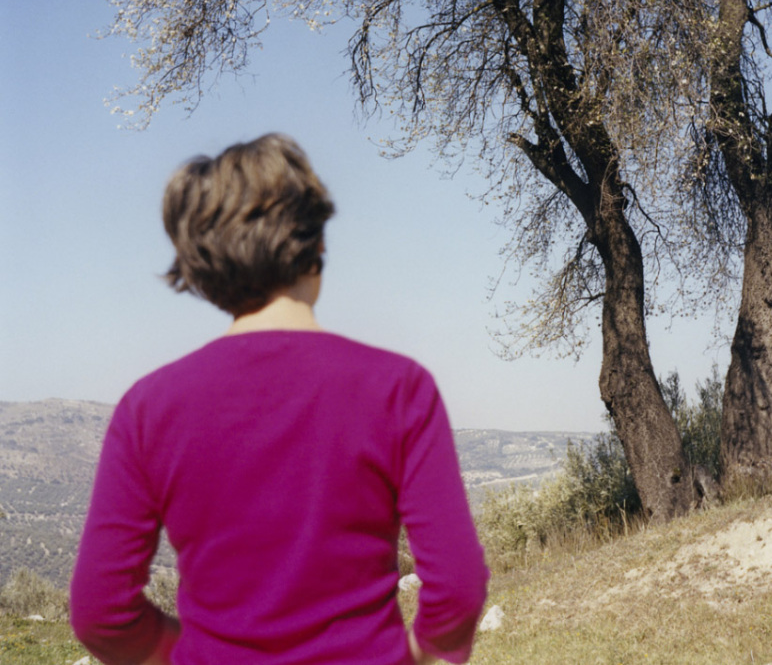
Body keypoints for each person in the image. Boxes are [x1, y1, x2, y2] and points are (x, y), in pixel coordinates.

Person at [70, 133, 489, 665]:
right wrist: (420, 652)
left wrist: (186, 651)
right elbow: (458, 585)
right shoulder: (398, 388)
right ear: (316, 243)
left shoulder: (148, 409)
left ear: (203, 268)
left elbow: (99, 611)